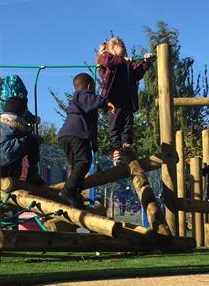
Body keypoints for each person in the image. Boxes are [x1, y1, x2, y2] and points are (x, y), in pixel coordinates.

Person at [57, 73, 113, 208]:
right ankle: (68, 190)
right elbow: (92, 100)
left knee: (78, 166)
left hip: (65, 136)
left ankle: (75, 197)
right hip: (77, 135)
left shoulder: (78, 100)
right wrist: (106, 102)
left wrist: (94, 143)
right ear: (89, 86)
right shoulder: (83, 94)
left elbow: (91, 126)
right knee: (84, 161)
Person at [95, 36, 153, 165]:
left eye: (123, 53)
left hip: (126, 99)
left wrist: (145, 63)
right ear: (112, 50)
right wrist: (121, 60)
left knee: (128, 123)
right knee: (114, 125)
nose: (122, 55)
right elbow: (108, 61)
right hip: (113, 100)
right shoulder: (105, 57)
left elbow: (137, 73)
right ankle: (116, 149)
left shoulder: (127, 65)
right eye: (119, 53)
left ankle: (126, 144)